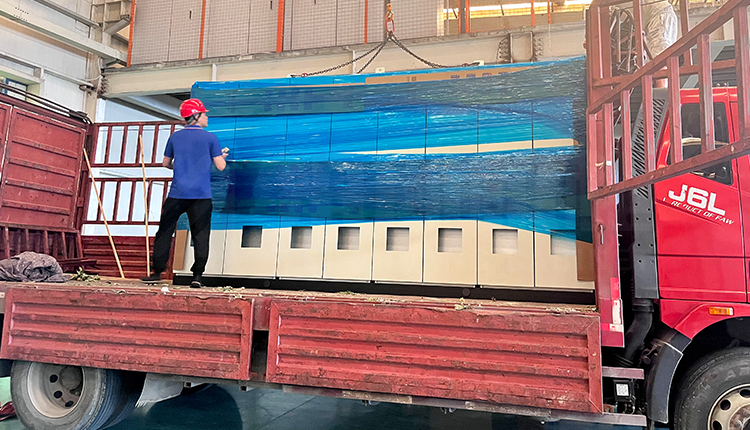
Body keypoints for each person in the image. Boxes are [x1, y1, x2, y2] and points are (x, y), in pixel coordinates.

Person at [141, 98, 228, 288]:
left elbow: (166, 163)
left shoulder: (175, 137)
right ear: (196, 116)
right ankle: (197, 276)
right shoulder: (210, 138)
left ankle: (157, 272)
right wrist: (220, 156)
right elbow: (221, 166)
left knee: (165, 231)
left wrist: (181, 167)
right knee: (201, 235)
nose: (207, 117)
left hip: (177, 194)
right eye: (204, 114)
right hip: (201, 196)